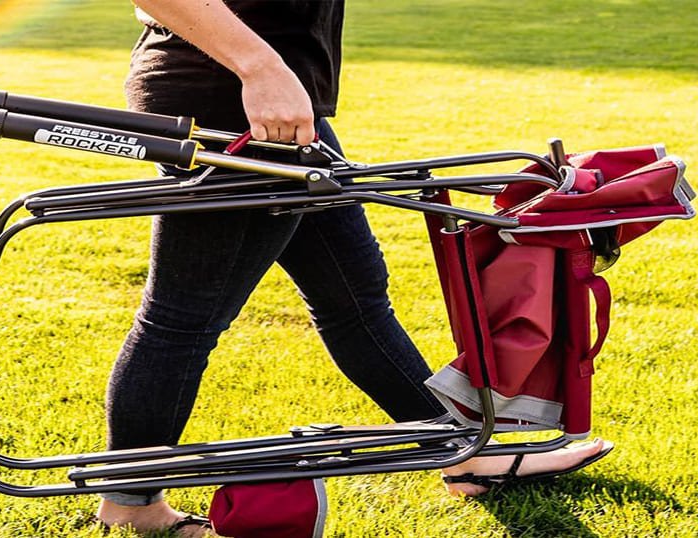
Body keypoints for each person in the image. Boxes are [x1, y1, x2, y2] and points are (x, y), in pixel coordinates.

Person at [98, 1, 611, 535]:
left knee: (354, 301)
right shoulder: (254, 76)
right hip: (240, 101)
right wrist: (261, 69)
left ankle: (460, 453)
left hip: (280, 102)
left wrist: (273, 75)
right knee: (183, 318)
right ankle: (131, 504)